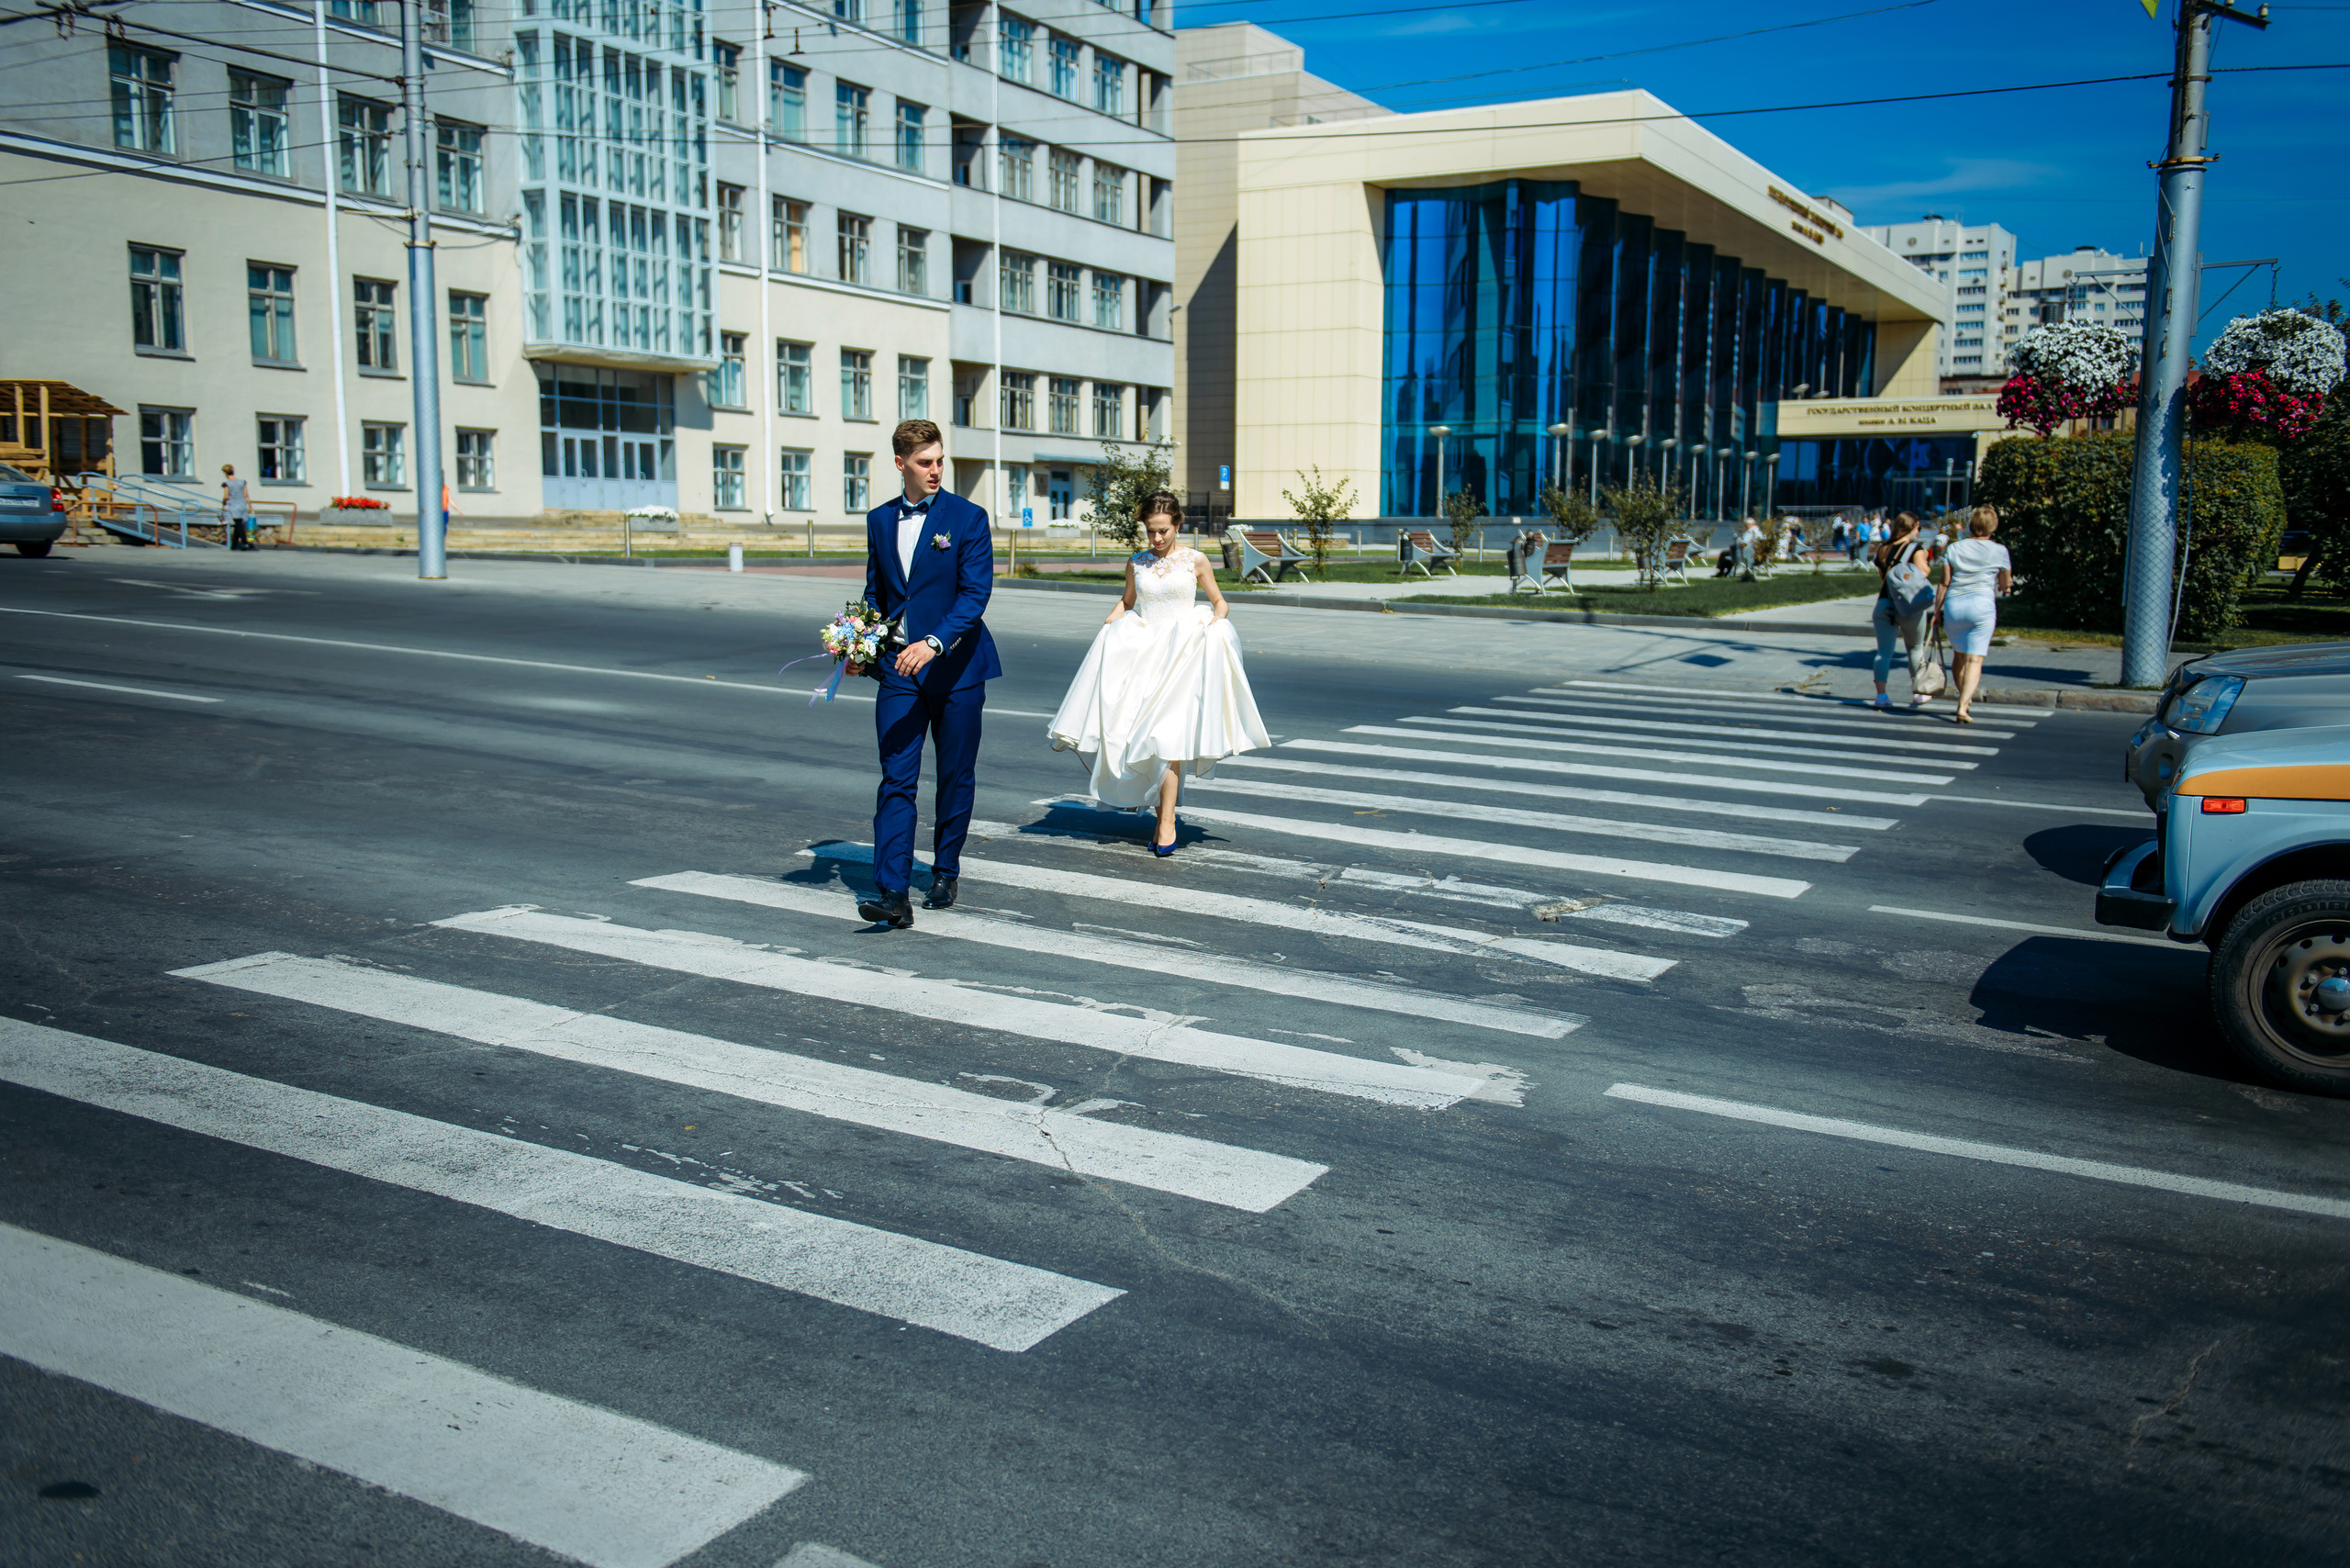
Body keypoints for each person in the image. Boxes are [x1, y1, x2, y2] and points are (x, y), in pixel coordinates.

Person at [1048, 491, 1270, 855]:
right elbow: (1128, 602)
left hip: (1182, 654)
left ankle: (1166, 822)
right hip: (1142, 655)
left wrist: (1215, 624)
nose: (1156, 538)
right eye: (1150, 531)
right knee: (1140, 739)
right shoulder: (1136, 563)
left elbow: (1219, 601)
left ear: (1178, 525)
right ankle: (1160, 817)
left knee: (1167, 737)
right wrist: (1110, 623)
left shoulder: (1195, 560)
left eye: (1163, 530)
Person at [849, 419, 1002, 928]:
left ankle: (945, 869)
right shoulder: (878, 520)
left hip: (957, 668)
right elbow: (877, 594)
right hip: (899, 670)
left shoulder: (968, 517)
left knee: (955, 775)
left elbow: (974, 595)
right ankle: (893, 893)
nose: (935, 470)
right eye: (924, 462)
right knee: (897, 779)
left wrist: (934, 642)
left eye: (940, 461)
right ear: (901, 464)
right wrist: (861, 644)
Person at [1935, 503, 2013, 725]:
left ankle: (1964, 698)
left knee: (1959, 656)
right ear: (1993, 527)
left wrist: (1937, 612)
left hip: (1955, 605)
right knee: (1975, 659)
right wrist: (2005, 586)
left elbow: (1944, 582)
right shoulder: (2000, 551)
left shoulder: (1954, 548)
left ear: (1970, 526)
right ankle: (1963, 705)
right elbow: (2005, 583)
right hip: (1981, 606)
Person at [1870, 511, 1936, 711]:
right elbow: (1924, 572)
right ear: (1913, 527)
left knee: (1883, 652)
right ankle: (1918, 693)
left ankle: (1881, 696)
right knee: (1915, 649)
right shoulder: (1916, 549)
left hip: (1885, 603)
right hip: (1909, 605)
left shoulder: (1883, 548)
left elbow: (1883, 578)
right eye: (1918, 527)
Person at [220, 464, 254, 551]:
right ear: (233, 471)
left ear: (225, 473)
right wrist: (250, 506)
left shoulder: (227, 484)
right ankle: (234, 545)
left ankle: (245, 543)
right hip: (242, 505)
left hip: (234, 506)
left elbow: (226, 497)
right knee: (238, 525)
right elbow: (246, 495)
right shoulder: (242, 482)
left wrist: (224, 502)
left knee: (238, 525)